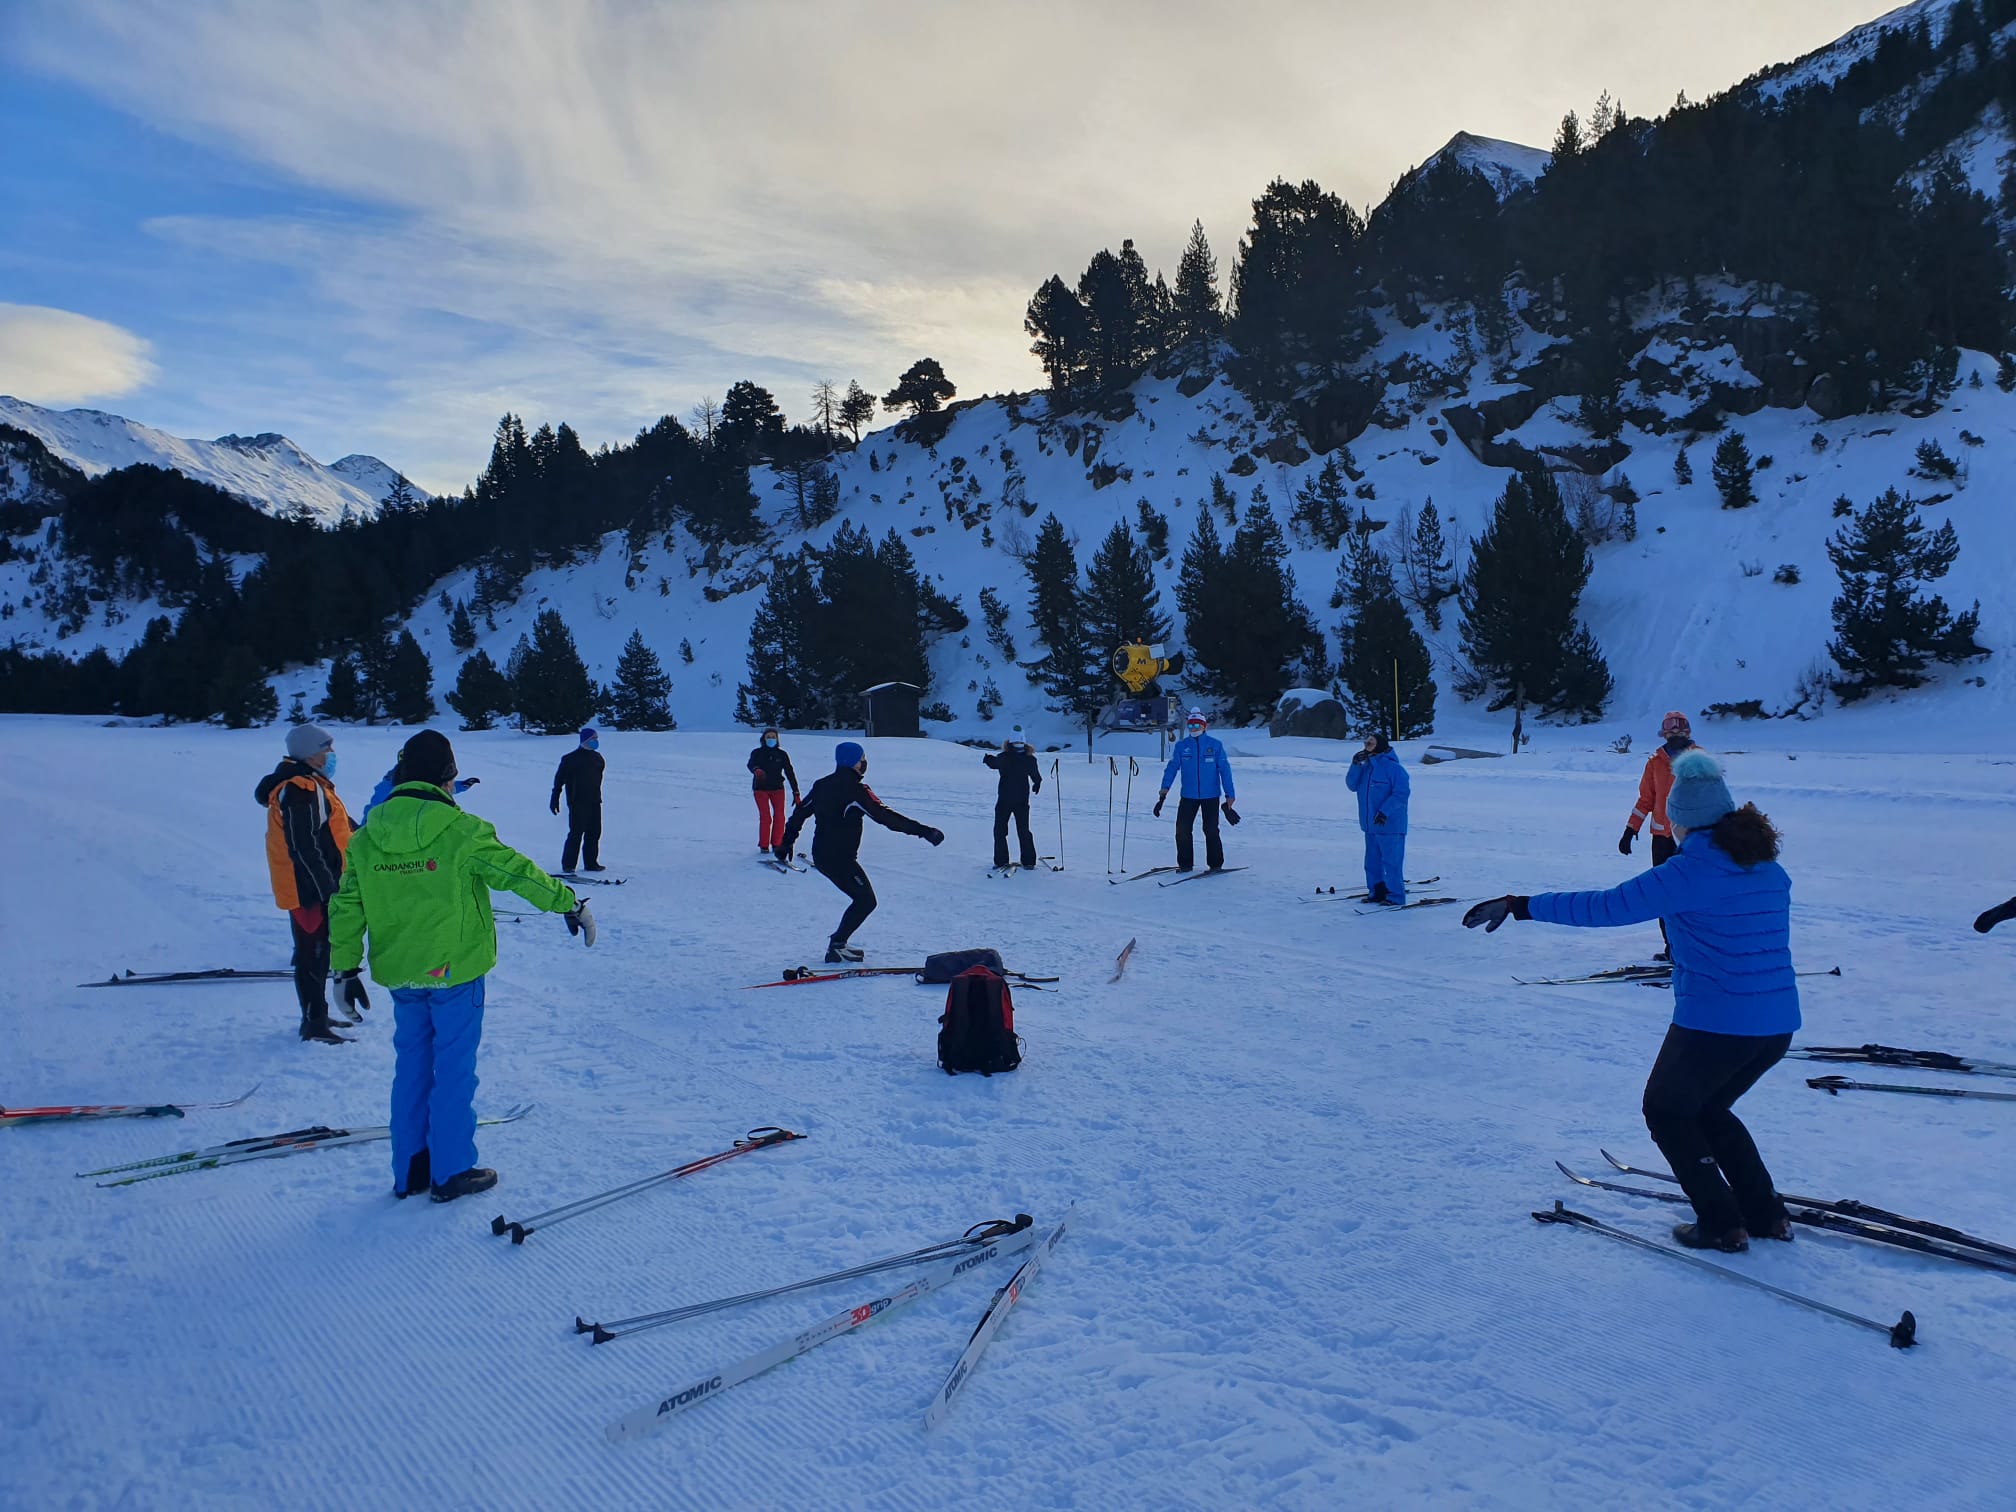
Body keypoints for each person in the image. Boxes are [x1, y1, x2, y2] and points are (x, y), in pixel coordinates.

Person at [1463, 751, 1799, 1252]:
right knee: (1708, 1109)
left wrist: (1522, 906)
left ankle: (1721, 1222)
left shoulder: (1687, 873)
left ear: (1682, 822)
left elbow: (1606, 906)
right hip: (1775, 1026)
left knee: (1665, 1110)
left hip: (1716, 1022)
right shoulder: (1767, 868)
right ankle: (1765, 1212)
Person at [330, 730, 595, 1203]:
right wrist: (567, 902)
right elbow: (516, 872)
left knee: (412, 1066)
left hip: (402, 974)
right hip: (454, 972)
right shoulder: (460, 830)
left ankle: (410, 1169)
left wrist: (344, 969)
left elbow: (347, 904)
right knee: (452, 1069)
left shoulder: (367, 836)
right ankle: (451, 1172)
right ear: (447, 778)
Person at [776, 741, 943, 962]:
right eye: (861, 759)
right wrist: (924, 832)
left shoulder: (822, 785)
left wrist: (786, 843)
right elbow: (886, 817)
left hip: (823, 855)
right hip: (840, 860)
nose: (864, 763)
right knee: (866, 901)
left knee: (863, 900)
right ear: (853, 761)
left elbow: (800, 813)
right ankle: (836, 946)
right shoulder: (857, 791)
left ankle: (839, 944)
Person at [255, 722, 366, 1045]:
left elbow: (339, 827)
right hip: (308, 890)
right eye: (326, 749)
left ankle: (317, 1014)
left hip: (315, 885)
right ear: (311, 754)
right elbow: (303, 846)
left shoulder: (313, 785)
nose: (331, 755)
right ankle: (313, 1023)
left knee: (320, 951)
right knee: (312, 953)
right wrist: (327, 890)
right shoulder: (300, 789)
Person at [1620, 710, 1699, 959]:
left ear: (1687, 732)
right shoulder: (1655, 762)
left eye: (1680, 729)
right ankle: (1672, 948)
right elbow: (1646, 799)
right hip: (1662, 840)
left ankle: (1696, 946)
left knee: (1693, 894)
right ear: (1663, 733)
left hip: (1691, 838)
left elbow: (1712, 799)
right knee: (1664, 894)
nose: (1675, 734)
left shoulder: (1700, 760)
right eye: (1670, 730)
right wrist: (1630, 829)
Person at [1154, 709, 1238, 872]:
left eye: (1197, 725)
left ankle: (1215, 864)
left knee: (1211, 830)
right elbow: (1172, 768)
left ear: (1204, 726)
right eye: (1190, 725)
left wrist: (1230, 794)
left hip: (1211, 796)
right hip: (1188, 796)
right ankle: (1185, 864)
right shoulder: (1182, 746)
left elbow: (1225, 770)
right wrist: (1164, 789)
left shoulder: (1215, 746)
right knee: (1182, 829)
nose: (1193, 728)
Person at [1345, 732, 1410, 904]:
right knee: (1372, 863)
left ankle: (1396, 896)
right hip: (1370, 826)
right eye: (1365, 743)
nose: (1366, 746)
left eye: (1371, 743)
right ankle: (1377, 892)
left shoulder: (1394, 769)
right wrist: (1355, 765)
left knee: (1391, 863)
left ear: (1380, 745)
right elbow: (1351, 785)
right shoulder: (1365, 767)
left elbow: (1401, 794)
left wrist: (1385, 812)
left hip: (1390, 826)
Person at [983, 726, 1042, 870]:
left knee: (1000, 830)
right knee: (1023, 830)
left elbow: (994, 763)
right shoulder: (1030, 759)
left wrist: (987, 759)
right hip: (1021, 799)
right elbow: (1036, 776)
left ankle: (1001, 860)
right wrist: (1037, 783)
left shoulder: (1004, 758)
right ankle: (1028, 861)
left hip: (1004, 800)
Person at [551, 727, 606, 873]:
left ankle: (591, 863)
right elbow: (559, 780)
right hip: (577, 802)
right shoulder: (570, 759)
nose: (596, 741)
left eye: (597, 739)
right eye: (593, 739)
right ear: (585, 740)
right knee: (576, 833)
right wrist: (555, 797)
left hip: (595, 801)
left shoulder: (598, 758)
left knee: (594, 833)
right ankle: (569, 865)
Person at [361, 765, 478, 825]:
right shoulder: (390, 785)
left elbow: (433, 788)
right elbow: (374, 811)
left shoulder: (413, 777)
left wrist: (461, 786)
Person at [747, 727, 800, 854]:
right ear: (763, 739)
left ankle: (777, 843)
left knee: (780, 817)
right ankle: (764, 845)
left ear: (777, 739)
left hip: (778, 789)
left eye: (773, 737)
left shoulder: (782, 755)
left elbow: (789, 772)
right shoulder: (757, 753)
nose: (771, 739)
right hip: (760, 789)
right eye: (768, 737)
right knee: (766, 817)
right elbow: (750, 764)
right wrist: (756, 770)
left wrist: (796, 792)